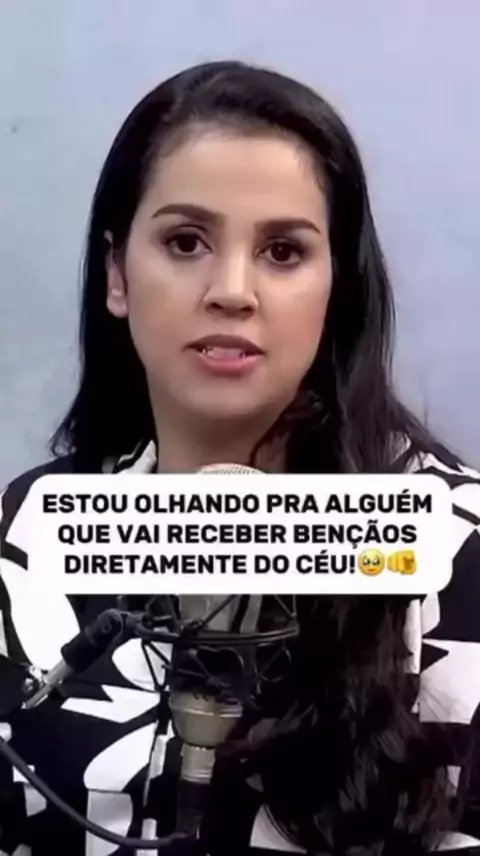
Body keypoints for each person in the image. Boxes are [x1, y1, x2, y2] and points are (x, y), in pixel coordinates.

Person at [0, 59, 479, 856]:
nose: (231, 290)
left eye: (283, 252)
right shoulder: (28, 532)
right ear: (118, 274)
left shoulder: (454, 547)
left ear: (338, 287)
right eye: (185, 242)